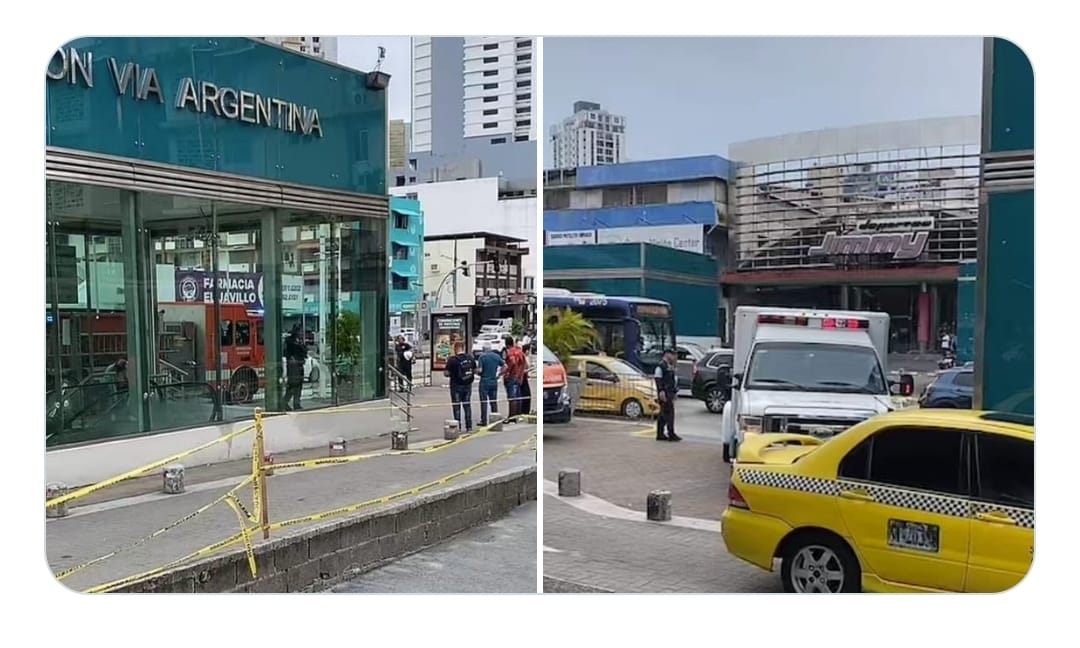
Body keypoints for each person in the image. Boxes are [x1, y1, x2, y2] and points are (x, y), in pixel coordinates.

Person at [444, 341, 476, 432]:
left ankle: (457, 427)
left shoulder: (452, 360)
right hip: (467, 385)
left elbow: (446, 373)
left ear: (455, 349)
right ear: (463, 348)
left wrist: (451, 373)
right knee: (467, 406)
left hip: (456, 386)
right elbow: (475, 370)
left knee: (456, 407)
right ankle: (469, 426)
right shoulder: (470, 358)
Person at [653, 348, 682, 442]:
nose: (674, 357)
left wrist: (674, 392)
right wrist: (661, 391)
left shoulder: (669, 366)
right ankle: (671, 434)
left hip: (669, 392)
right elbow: (658, 379)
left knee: (663, 415)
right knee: (669, 414)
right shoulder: (661, 366)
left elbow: (672, 380)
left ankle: (660, 434)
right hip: (665, 393)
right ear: (667, 355)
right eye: (673, 354)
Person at [477, 342, 505, 426]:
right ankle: (495, 419)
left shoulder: (482, 357)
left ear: (483, 350)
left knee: (484, 402)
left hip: (484, 381)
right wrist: (499, 374)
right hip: (493, 381)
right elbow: (505, 366)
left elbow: (480, 370)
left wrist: (476, 372)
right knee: (493, 401)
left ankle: (484, 420)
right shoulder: (496, 356)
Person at [503, 335, 528, 419]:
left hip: (512, 376)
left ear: (506, 344)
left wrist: (507, 372)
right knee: (518, 396)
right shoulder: (520, 351)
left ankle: (512, 416)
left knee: (512, 397)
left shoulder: (510, 352)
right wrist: (520, 375)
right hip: (518, 376)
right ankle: (518, 414)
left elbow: (512, 362)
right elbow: (525, 364)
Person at [283, 327, 306, 411]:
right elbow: (287, 352)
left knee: (299, 385)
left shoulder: (300, 341)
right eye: (299, 331)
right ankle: (284, 402)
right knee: (293, 384)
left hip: (300, 364)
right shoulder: (289, 341)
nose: (301, 333)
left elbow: (304, 351)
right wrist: (291, 358)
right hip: (293, 366)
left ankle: (297, 403)